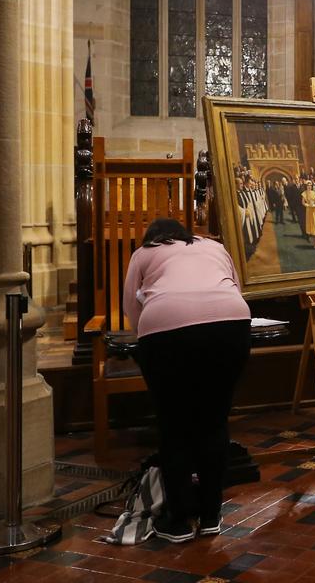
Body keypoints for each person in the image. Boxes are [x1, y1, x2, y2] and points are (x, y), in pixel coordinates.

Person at [121, 219, 251, 543]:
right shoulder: (215, 247)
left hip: (166, 330)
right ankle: (210, 516)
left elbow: (130, 310)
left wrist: (147, 336)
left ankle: (177, 521)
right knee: (215, 419)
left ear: (153, 238)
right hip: (231, 323)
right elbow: (236, 287)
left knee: (174, 423)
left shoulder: (144, 252)